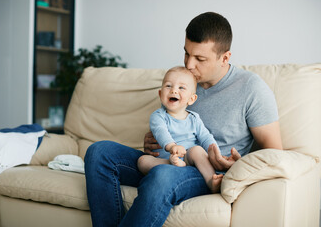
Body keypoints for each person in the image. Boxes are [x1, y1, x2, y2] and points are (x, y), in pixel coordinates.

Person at [84, 12, 283, 227]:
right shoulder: (181, 82)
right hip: (168, 158)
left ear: (225, 58)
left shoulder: (252, 89)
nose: (189, 64)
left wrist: (239, 166)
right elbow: (167, 122)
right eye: (186, 53)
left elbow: (274, 153)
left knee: (162, 176)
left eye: (200, 59)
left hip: (204, 171)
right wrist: (155, 141)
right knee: (99, 153)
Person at [137, 66, 223, 193]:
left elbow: (206, 137)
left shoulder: (194, 118)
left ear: (192, 99)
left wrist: (216, 153)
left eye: (181, 87)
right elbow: (161, 132)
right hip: (164, 160)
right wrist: (172, 147)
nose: (174, 91)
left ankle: (211, 181)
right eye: (168, 86)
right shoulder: (158, 116)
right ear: (160, 94)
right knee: (142, 161)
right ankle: (172, 163)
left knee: (197, 150)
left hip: (188, 158)